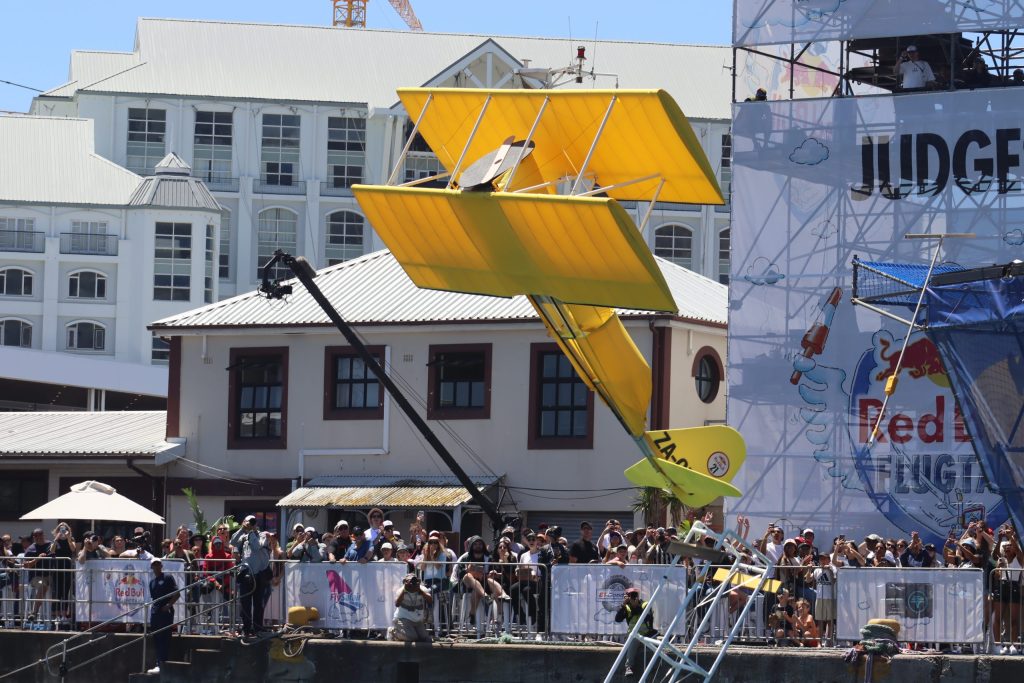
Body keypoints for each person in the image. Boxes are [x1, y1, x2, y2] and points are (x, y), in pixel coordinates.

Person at [230, 515, 272, 637]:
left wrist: (251, 532)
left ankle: (258, 628)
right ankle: (246, 628)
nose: (250, 524)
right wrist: (242, 530)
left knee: (259, 603)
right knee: (245, 604)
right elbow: (232, 542)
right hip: (246, 574)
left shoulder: (262, 535)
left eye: (252, 522)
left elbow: (257, 546)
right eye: (248, 522)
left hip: (260, 574)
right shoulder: (242, 535)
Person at [147, 557, 179, 675]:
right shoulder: (152, 582)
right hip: (155, 613)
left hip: (165, 612)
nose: (156, 566)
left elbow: (177, 594)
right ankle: (158, 663)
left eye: (158, 564)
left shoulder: (168, 577)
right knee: (156, 638)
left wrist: (168, 605)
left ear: (161, 566)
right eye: (154, 564)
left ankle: (162, 663)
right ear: (151, 567)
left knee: (164, 637)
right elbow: (154, 599)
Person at [614, 587, 655, 677]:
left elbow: (648, 618)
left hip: (647, 634)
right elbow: (618, 619)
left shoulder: (645, 605)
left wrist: (636, 607)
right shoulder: (626, 607)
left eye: (634, 595)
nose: (632, 597)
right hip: (633, 635)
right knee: (634, 639)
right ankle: (628, 667)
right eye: (630, 595)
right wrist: (622, 606)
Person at [391, 573, 432, 642]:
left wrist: (420, 591)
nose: (412, 583)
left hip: (417, 621)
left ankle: (409, 632)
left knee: (425, 638)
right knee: (412, 638)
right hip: (403, 619)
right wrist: (405, 590)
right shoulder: (400, 590)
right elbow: (397, 604)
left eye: (414, 581)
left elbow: (430, 601)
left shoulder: (422, 589)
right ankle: (393, 632)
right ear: (405, 582)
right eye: (410, 581)